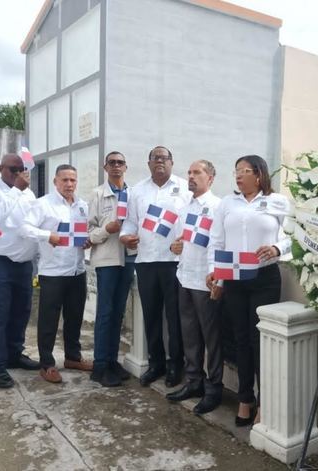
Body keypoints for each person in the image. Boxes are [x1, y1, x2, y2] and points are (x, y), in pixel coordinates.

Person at [206, 155, 290, 426]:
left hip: (265, 277)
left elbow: (294, 236)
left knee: (259, 340)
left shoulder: (278, 201)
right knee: (240, 339)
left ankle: (265, 402)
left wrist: (278, 248)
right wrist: (215, 274)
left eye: (244, 171)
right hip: (233, 277)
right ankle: (245, 398)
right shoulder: (227, 203)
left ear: (259, 174)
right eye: (236, 171)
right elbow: (216, 240)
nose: (238, 176)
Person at [119, 145, 191, 387]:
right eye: (155, 158)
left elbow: (194, 222)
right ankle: (156, 363)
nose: (160, 161)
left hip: (174, 263)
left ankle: (175, 365)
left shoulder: (184, 189)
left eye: (164, 157)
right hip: (147, 261)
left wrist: (186, 241)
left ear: (172, 162)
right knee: (151, 316)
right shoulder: (137, 191)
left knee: (175, 317)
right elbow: (130, 223)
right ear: (148, 163)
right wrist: (125, 236)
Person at [21, 164, 92, 383]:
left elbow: (83, 232)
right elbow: (24, 228)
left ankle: (73, 357)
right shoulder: (43, 204)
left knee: (74, 317)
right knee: (49, 320)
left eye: (73, 180)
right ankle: (47, 363)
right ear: (55, 181)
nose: (69, 184)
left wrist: (87, 240)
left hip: (77, 270)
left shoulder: (82, 206)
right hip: (53, 272)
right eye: (65, 180)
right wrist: (46, 235)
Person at [166, 160, 223, 414]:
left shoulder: (217, 207)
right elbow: (179, 242)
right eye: (188, 172)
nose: (190, 176)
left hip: (205, 280)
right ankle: (194, 382)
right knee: (189, 334)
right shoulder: (185, 206)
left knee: (212, 338)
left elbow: (219, 245)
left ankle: (214, 389)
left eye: (197, 172)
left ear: (210, 178)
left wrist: (217, 279)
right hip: (185, 277)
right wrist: (174, 248)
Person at [0, 153, 40, 389]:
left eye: (20, 169)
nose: (17, 173)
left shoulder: (29, 193)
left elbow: (31, 223)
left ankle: (15, 355)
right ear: (0, 168)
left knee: (21, 312)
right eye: (12, 169)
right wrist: (16, 189)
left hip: (23, 263)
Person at [88, 151, 135, 387]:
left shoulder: (132, 194)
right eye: (112, 163)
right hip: (107, 260)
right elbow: (88, 235)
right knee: (105, 313)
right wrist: (109, 228)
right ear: (105, 167)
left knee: (118, 313)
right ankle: (99, 366)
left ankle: (112, 360)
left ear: (126, 167)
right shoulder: (97, 194)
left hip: (129, 259)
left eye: (120, 163)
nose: (116, 166)